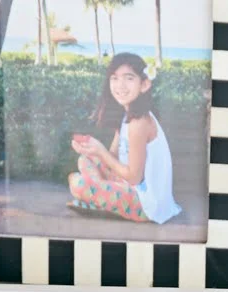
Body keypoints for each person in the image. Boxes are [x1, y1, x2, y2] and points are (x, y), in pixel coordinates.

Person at [67, 53, 181, 225]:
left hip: (146, 203)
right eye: (114, 78)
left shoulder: (139, 123)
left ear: (144, 84)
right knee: (85, 160)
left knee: (78, 183)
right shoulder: (127, 115)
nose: (120, 85)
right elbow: (112, 158)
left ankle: (100, 196)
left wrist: (100, 151)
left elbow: (134, 177)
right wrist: (90, 150)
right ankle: (104, 195)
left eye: (129, 78)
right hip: (127, 183)